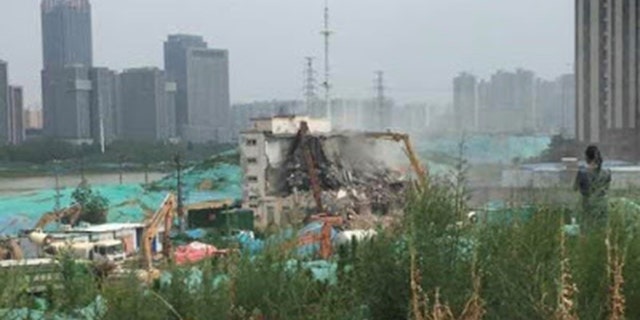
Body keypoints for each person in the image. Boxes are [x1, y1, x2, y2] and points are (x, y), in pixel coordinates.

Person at [573, 145, 612, 232]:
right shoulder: (607, 172)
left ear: (587, 158)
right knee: (602, 231)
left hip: (588, 206)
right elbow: (606, 188)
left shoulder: (582, 172)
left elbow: (575, 188)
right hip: (603, 206)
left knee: (587, 231)